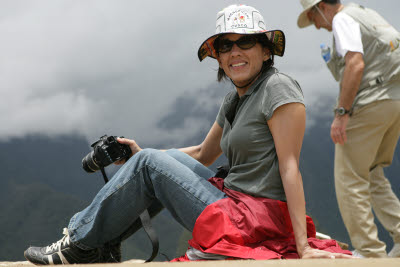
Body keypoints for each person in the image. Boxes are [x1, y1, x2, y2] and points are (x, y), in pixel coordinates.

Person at [24, 4, 352, 264]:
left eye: (246, 41)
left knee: (151, 164)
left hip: (252, 219)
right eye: (226, 45)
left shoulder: (279, 88)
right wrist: (142, 158)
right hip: (233, 203)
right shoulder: (235, 98)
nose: (235, 51)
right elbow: (202, 155)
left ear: (267, 51)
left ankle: (79, 243)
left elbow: (289, 166)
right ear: (219, 57)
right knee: (150, 162)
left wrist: (303, 246)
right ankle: (103, 244)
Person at [297, 0, 400, 258]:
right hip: (394, 101)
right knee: (373, 172)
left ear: (321, 7)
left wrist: (342, 113)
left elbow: (355, 64)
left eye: (313, 18)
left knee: (349, 178)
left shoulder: (343, 20)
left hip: (371, 102)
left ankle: (369, 250)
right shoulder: (368, 14)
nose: (318, 26)